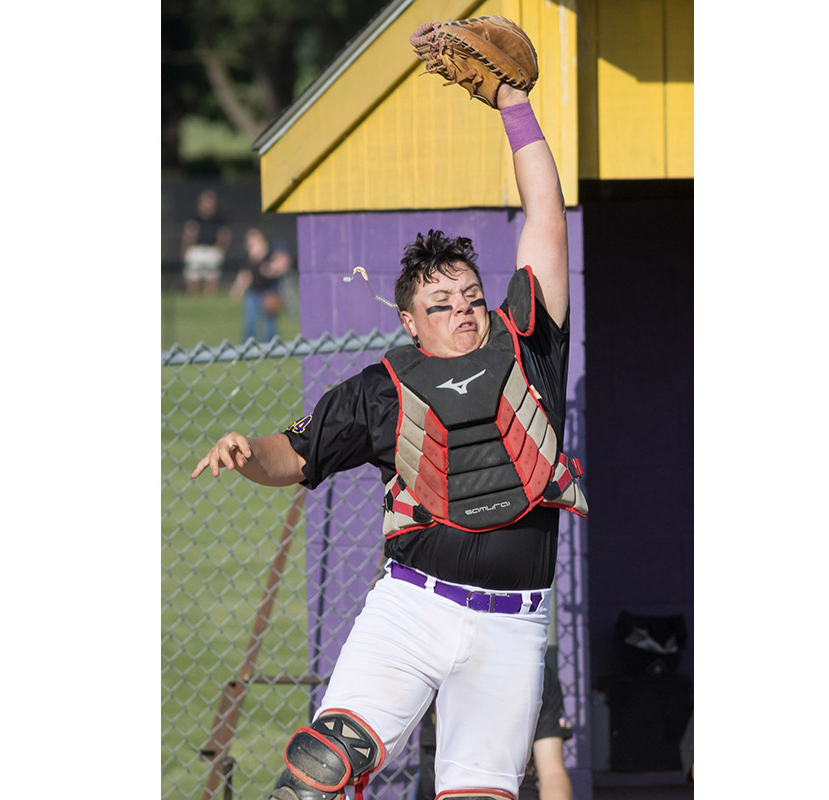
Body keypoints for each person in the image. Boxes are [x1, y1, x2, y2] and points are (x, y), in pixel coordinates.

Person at [191, 23, 587, 800]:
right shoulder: (380, 389)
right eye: (442, 303)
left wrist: (514, 107)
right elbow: (294, 456)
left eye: (472, 297)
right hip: (412, 609)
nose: (465, 311)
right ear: (410, 320)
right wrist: (247, 454)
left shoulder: (529, 344)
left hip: (511, 626)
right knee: (316, 779)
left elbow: (546, 214)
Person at [416, 664, 573, 800]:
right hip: (447, 790)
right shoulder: (441, 668)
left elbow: (552, 773)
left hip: (513, 791)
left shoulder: (537, 675)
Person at [230, 227, 293, 343]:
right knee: (250, 320)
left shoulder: (271, 252)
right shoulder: (249, 257)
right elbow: (245, 275)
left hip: (270, 291)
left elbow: (283, 265)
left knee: (270, 322)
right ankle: (248, 346)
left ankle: (272, 345)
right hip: (254, 291)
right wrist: (237, 289)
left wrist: (270, 269)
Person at [182, 188, 232, 295]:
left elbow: (225, 235)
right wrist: (186, 250)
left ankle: (209, 299)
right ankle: (192, 298)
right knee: (192, 276)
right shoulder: (194, 217)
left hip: (212, 249)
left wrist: (220, 249)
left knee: (211, 277)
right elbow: (188, 234)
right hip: (196, 249)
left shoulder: (220, 218)